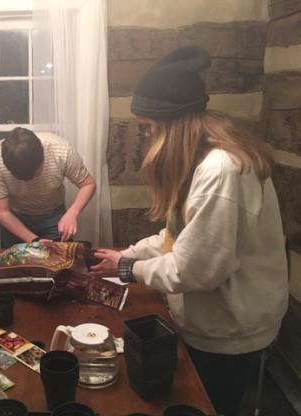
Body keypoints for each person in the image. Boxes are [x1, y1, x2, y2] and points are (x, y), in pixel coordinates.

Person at [90, 46, 288, 416]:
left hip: (230, 330)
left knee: (210, 406)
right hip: (215, 321)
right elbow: (177, 239)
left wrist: (127, 270)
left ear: (174, 123)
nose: (147, 139)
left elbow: (194, 269)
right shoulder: (201, 164)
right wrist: (128, 254)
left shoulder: (221, 172)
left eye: (148, 128)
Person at [0, 127, 96, 247]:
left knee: (60, 262)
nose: (33, 179)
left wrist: (72, 213)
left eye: (36, 172)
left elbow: (88, 184)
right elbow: (2, 212)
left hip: (54, 216)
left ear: (43, 151)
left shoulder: (62, 150)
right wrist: (34, 241)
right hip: (16, 218)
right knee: (18, 263)